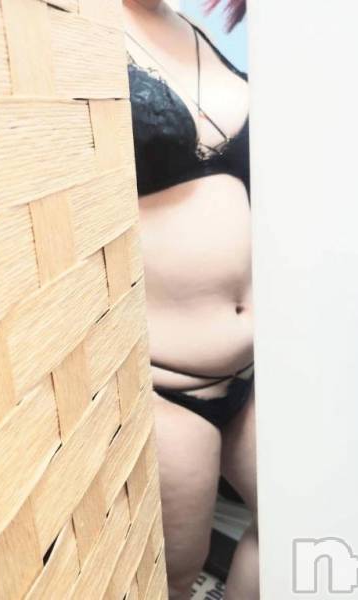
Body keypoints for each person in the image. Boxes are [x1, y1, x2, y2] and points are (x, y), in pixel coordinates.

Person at [122, 1, 257, 598]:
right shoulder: (65, 26)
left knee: (295, 523)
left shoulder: (195, 29)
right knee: (174, 575)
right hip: (165, 384)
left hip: (258, 365)